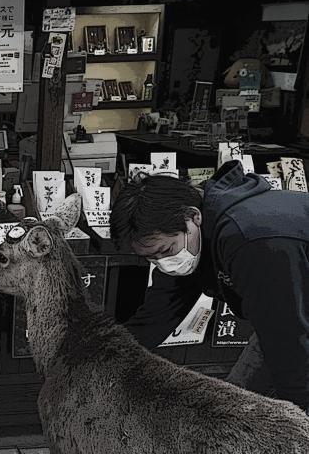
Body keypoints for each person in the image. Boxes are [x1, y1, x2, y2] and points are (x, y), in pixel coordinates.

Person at [110, 160, 309, 411]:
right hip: (286, 317)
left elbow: (288, 343)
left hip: (292, 319)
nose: (164, 263)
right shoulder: (191, 237)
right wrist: (106, 357)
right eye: (151, 258)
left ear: (193, 217)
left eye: (165, 251)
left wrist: (300, 418)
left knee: (265, 417)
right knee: (234, 411)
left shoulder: (251, 241)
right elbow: (157, 315)